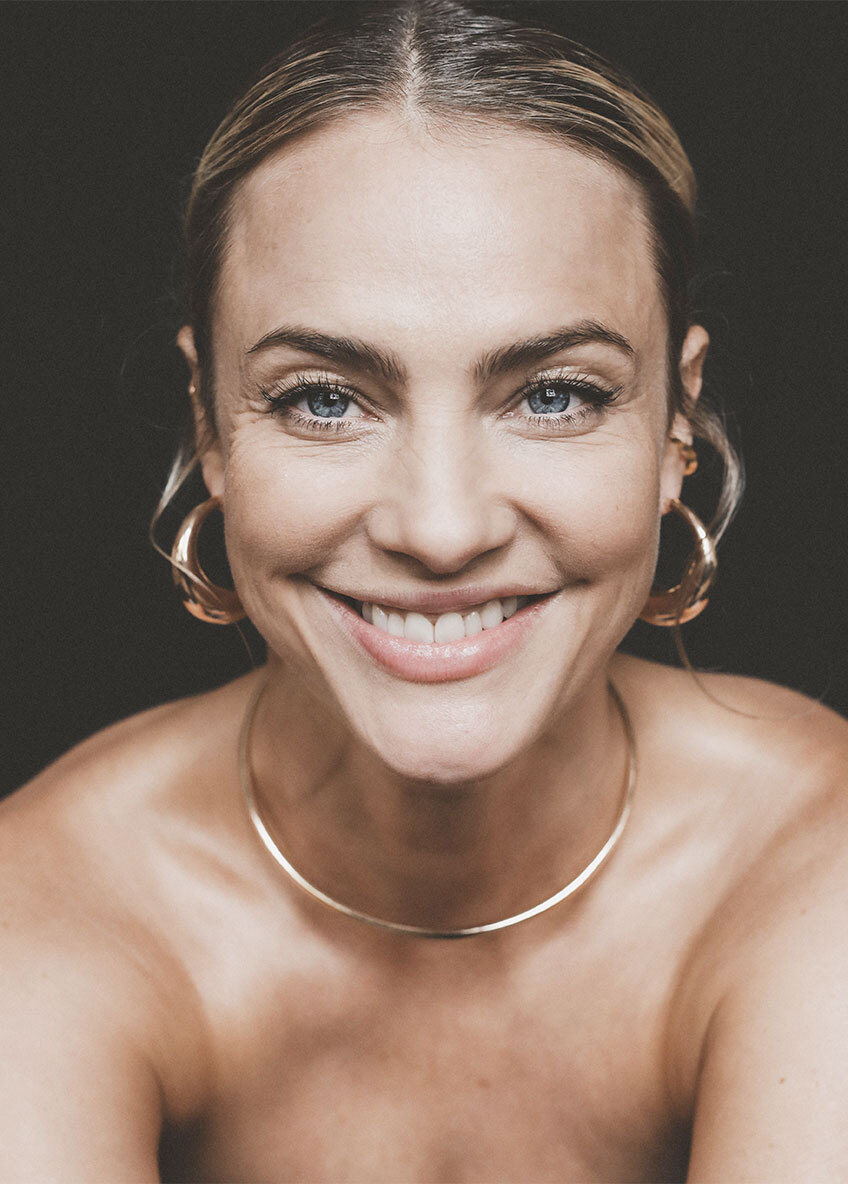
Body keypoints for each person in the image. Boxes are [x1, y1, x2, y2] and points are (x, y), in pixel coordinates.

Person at [3, 1, 847, 1180]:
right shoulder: (49, 900)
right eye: (323, 398)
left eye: (553, 394)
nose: (440, 529)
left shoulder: (811, 859)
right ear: (207, 424)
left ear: (675, 423)